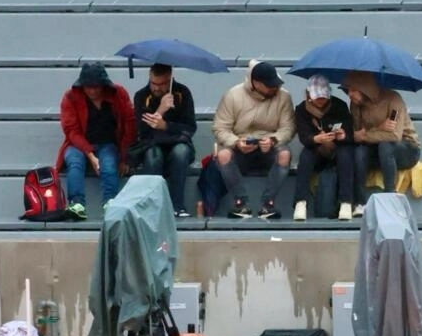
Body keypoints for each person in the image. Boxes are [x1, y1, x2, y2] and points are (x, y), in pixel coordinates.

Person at [212, 60, 295, 219]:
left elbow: (288, 128)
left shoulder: (284, 96)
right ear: (255, 83)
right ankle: (240, 203)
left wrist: (273, 140)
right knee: (223, 155)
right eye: (269, 85)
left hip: (269, 148)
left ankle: (268, 203)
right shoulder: (233, 95)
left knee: (284, 155)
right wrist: (236, 142)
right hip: (241, 147)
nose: (274, 88)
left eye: (276, 84)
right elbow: (220, 128)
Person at [55, 62, 135, 220]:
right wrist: (90, 154)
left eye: (96, 87)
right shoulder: (70, 97)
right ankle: (76, 203)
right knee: (74, 161)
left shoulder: (119, 94)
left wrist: (125, 158)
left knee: (109, 164)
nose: (92, 91)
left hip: (108, 142)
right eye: (88, 87)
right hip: (78, 144)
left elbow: (129, 125)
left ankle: (110, 202)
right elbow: (72, 130)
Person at [342, 70, 421, 217]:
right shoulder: (355, 105)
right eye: (348, 91)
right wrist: (378, 128)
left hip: (407, 148)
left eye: (353, 90)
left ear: (365, 88)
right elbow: (357, 136)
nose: (349, 94)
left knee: (386, 146)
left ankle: (390, 198)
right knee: (359, 151)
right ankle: (360, 203)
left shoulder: (393, 99)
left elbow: (394, 135)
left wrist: (366, 135)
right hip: (376, 149)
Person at [132, 63, 197, 217]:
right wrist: (160, 110)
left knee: (180, 153)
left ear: (170, 80)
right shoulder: (141, 96)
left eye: (161, 84)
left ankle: (177, 205)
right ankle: (153, 206)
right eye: (153, 83)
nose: (156, 88)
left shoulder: (183, 93)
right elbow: (143, 132)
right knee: (153, 156)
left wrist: (166, 126)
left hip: (178, 143)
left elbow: (190, 128)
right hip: (152, 144)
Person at [292, 75, 354, 221]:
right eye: (317, 97)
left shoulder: (340, 106)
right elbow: (304, 137)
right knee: (306, 156)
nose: (321, 101)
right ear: (309, 95)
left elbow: (350, 133)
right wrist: (316, 139)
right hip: (316, 149)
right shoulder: (301, 109)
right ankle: (300, 202)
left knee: (346, 154)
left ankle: (346, 202)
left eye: (323, 97)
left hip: (338, 148)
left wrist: (343, 135)